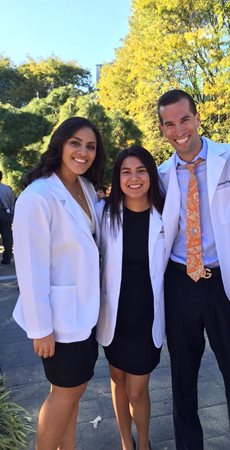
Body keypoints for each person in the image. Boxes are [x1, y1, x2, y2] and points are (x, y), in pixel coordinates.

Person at [157, 89, 230, 450]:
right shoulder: (162, 175)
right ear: (163, 129)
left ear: (197, 118)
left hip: (222, 282)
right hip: (180, 281)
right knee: (182, 376)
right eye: (169, 123)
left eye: (184, 119)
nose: (179, 129)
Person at [12, 117, 105, 450]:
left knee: (73, 392)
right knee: (65, 394)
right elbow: (29, 266)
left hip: (84, 313)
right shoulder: (37, 197)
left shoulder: (86, 188)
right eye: (75, 144)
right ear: (60, 145)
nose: (83, 152)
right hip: (58, 321)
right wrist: (40, 328)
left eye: (90, 146)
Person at [96, 146, 167, 450]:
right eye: (126, 172)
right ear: (118, 177)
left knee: (138, 389)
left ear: (151, 175)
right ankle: (127, 442)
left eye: (141, 171)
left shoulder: (166, 214)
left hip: (147, 317)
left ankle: (145, 443)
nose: (134, 178)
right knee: (117, 380)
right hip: (115, 315)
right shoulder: (104, 214)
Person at [0, 170, 15, 264]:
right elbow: (12, 203)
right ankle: (7, 257)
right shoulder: (7, 189)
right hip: (6, 213)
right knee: (7, 236)